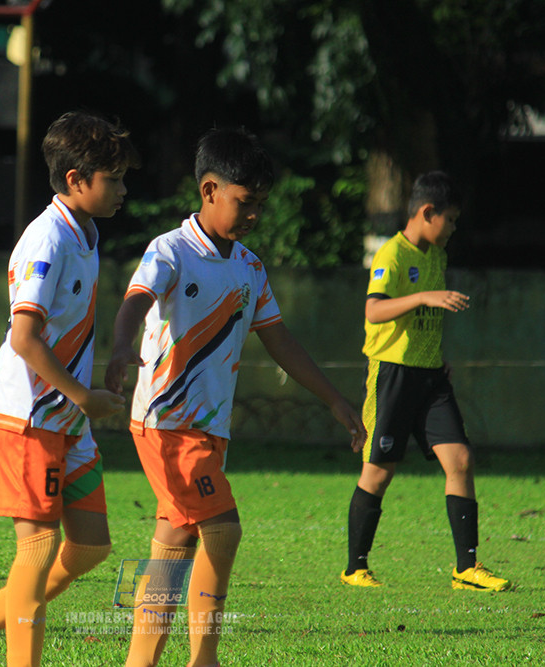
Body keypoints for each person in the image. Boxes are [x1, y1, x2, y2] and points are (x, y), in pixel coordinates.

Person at [106, 127, 366, 667]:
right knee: (223, 530)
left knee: (174, 544)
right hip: (166, 424)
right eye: (244, 201)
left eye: (260, 204)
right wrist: (119, 349)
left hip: (209, 429)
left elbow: (278, 339)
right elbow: (136, 299)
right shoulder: (172, 250)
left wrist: (334, 399)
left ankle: (139, 662)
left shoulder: (249, 266)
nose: (253, 213)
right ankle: (206, 659)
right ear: (208, 191)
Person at [0, 111, 140, 667]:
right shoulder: (46, 239)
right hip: (28, 416)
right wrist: (84, 396)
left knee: (91, 546)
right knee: (38, 547)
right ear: (76, 179)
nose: (123, 190)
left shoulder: (86, 233)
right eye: (114, 179)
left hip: (66, 418)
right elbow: (24, 338)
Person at [340, 171, 511, 592]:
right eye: (449, 220)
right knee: (379, 473)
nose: (453, 229)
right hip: (393, 375)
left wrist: (439, 357)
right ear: (427, 212)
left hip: (430, 376)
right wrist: (423, 297)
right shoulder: (391, 256)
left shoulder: (436, 254)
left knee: (462, 461)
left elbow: (423, 319)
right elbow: (374, 311)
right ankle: (355, 568)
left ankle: (466, 569)